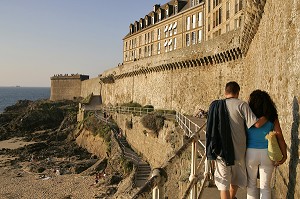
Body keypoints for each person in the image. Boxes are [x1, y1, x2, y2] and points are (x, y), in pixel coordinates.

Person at [206, 81, 267, 199]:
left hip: (221, 151)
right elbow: (257, 124)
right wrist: (268, 116)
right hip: (239, 152)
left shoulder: (216, 106)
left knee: (223, 184)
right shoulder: (242, 105)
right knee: (235, 179)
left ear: (225, 92)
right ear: (238, 92)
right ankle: (232, 197)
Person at [246, 90, 287, 199]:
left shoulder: (248, 116)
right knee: (265, 186)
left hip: (250, 153)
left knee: (251, 184)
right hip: (267, 153)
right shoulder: (272, 116)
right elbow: (280, 138)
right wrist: (284, 155)